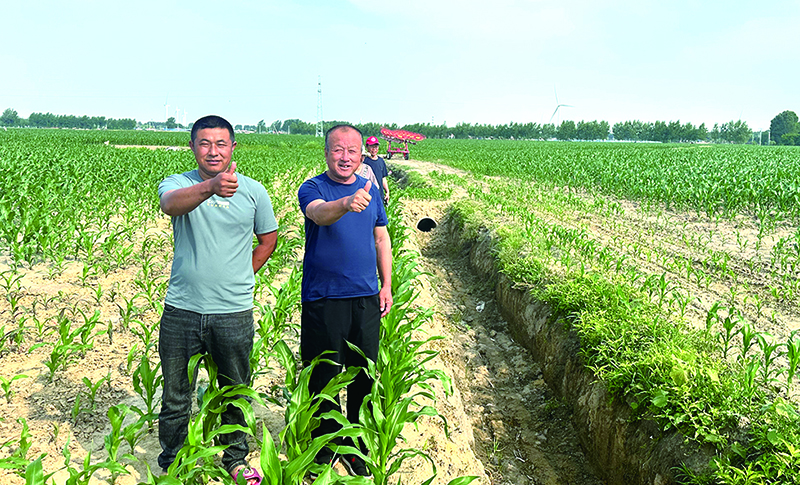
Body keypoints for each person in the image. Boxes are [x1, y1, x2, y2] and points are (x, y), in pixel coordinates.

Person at [157, 115, 278, 484]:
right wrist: (210, 187)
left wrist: (240, 277)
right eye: (205, 143)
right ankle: (173, 462)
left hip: (233, 312)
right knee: (177, 394)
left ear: (233, 148)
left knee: (234, 391)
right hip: (182, 310)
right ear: (192, 147)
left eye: (221, 143)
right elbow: (170, 205)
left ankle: (236, 459)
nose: (213, 150)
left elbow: (268, 240)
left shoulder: (254, 191)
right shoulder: (180, 184)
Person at [297, 124, 392, 477]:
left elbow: (382, 239)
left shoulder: (370, 191)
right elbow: (318, 213)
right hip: (324, 297)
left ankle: (353, 443)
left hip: (366, 296)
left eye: (352, 150)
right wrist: (346, 203)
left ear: (361, 154)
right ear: (326, 153)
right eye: (338, 149)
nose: (345, 156)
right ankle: (324, 442)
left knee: (362, 374)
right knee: (323, 372)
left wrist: (387, 286)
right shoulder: (313, 188)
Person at [363, 136, 390, 205]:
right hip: (367, 195)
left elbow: (383, 178)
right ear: (367, 147)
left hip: (379, 195)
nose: (374, 149)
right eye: (372, 147)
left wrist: (387, 191)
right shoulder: (364, 161)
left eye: (376, 146)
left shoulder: (381, 161)